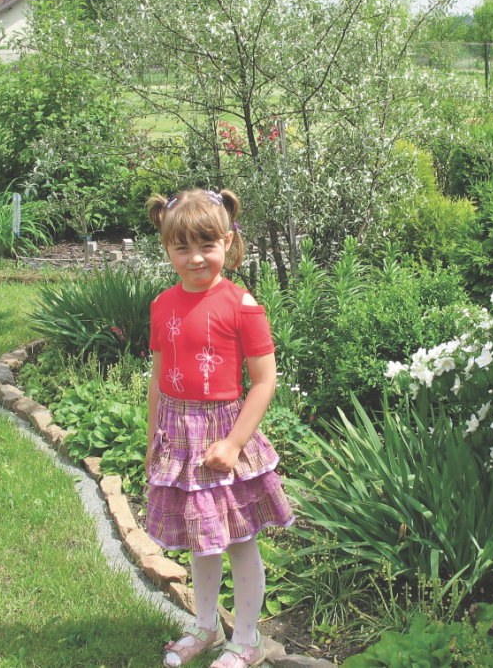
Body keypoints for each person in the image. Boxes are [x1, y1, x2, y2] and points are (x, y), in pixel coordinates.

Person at [144, 188, 293, 668]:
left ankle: (246, 639)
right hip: (178, 436)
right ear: (166, 248)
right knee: (200, 538)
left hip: (223, 436)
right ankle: (205, 626)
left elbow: (264, 381)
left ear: (227, 242)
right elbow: (159, 378)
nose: (195, 258)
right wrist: (152, 439)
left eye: (206, 245)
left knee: (240, 540)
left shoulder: (241, 304)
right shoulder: (163, 304)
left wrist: (233, 443)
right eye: (181, 247)